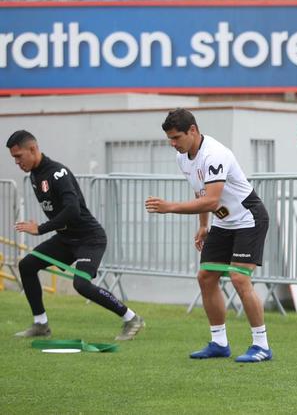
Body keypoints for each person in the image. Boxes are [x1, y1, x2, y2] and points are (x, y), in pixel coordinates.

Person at [145, 108, 271, 363]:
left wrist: (170, 207)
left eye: (176, 137)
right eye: (169, 138)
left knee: (239, 277)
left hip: (249, 218)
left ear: (193, 130)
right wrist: (203, 226)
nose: (173, 143)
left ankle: (262, 345)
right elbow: (201, 193)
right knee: (206, 277)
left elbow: (212, 200)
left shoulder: (215, 154)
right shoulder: (183, 157)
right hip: (224, 222)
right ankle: (219, 343)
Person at [7, 130, 144, 340]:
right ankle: (41, 324)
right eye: (13, 158)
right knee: (27, 265)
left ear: (33, 149)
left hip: (89, 239)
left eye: (18, 156)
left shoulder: (57, 173)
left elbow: (73, 211)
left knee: (81, 285)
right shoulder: (35, 174)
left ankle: (131, 318)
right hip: (65, 239)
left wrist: (41, 228)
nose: (17, 162)